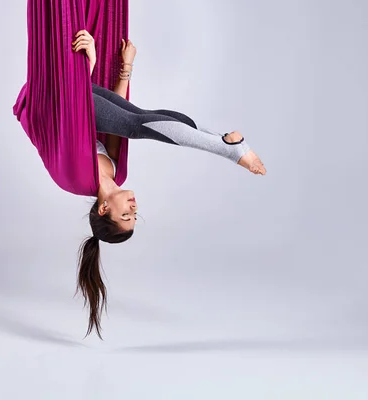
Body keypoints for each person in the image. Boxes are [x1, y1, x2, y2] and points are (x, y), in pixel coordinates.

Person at [72, 30, 266, 338]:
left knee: (139, 125)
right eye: (134, 216)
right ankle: (222, 139)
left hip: (69, 96)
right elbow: (118, 121)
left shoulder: (76, 176)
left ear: (104, 208)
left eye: (126, 215)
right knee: (140, 117)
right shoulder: (114, 172)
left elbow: (68, 120)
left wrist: (86, 64)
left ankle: (228, 149)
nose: (134, 209)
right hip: (86, 95)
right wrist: (126, 68)